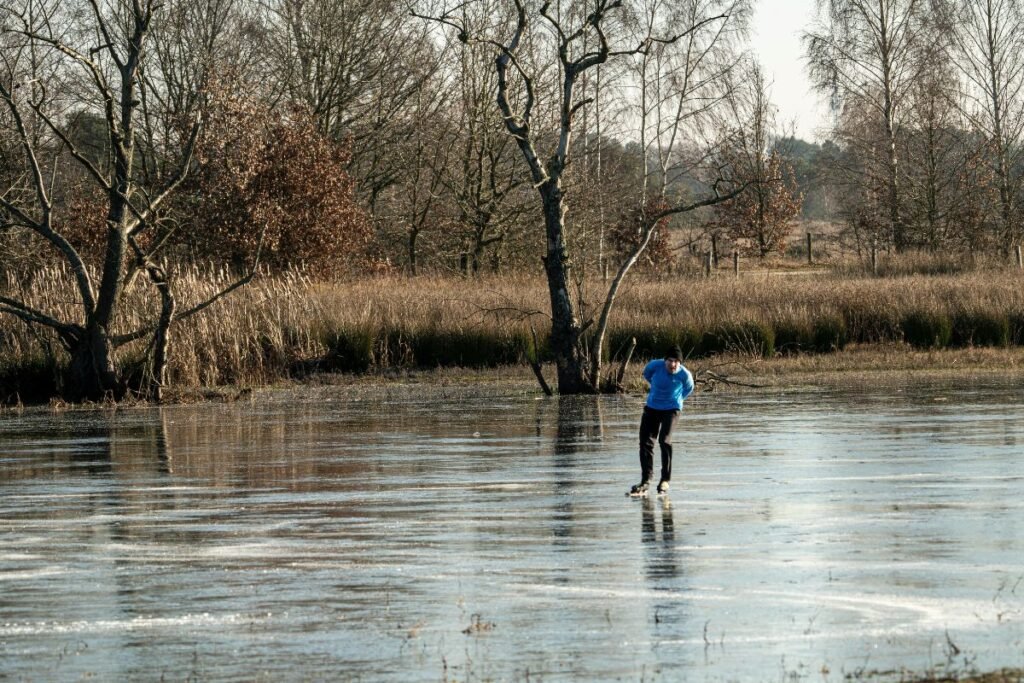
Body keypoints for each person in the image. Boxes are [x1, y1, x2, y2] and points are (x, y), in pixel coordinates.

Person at [630, 345, 694, 496]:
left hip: (672, 409)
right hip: (652, 407)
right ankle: (645, 480)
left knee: (664, 440)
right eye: (670, 361)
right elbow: (647, 375)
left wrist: (677, 399)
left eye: (676, 362)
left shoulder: (684, 375)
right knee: (645, 442)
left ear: (680, 363)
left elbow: (688, 389)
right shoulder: (654, 366)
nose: (672, 364)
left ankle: (665, 480)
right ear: (665, 360)